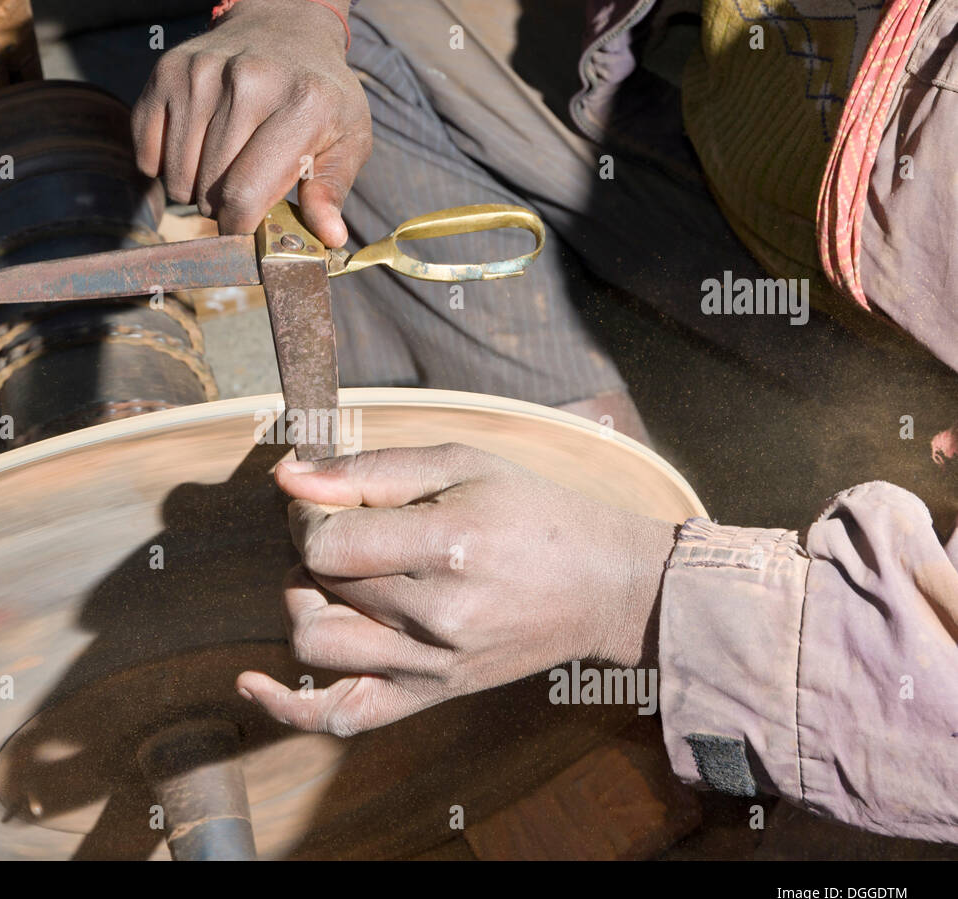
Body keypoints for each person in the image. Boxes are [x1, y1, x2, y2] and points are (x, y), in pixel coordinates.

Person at [131, 0, 958, 844]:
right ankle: (592, 505)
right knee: (332, 86)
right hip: (777, 188)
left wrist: (631, 594)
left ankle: (639, 647)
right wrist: (288, 16)